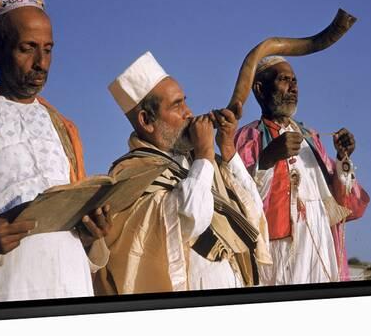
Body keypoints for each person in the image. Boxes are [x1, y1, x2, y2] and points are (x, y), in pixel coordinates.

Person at [0, 0, 111, 302]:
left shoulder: (65, 128)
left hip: (71, 285)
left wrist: (91, 234)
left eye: (48, 50)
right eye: (27, 49)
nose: (41, 63)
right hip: (8, 291)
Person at [95, 52, 271, 295]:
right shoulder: (131, 175)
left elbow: (253, 211)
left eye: (185, 102)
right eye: (177, 106)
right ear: (147, 121)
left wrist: (227, 148)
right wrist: (205, 154)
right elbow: (189, 220)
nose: (189, 113)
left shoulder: (199, 164)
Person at [234, 56, 370, 285]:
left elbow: (340, 201)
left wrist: (341, 158)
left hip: (321, 240)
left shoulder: (312, 138)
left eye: (295, 81)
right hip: (279, 247)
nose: (293, 87)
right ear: (260, 89)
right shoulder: (248, 138)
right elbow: (237, 197)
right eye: (284, 80)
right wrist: (267, 158)